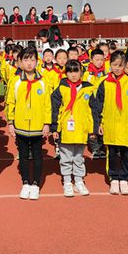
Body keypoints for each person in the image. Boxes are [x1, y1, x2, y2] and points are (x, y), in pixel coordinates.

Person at [93, 51, 128, 195]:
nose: (117, 68)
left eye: (120, 65)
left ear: (125, 66)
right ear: (109, 65)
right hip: (110, 123)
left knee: (126, 153)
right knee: (113, 153)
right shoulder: (104, 84)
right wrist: (99, 124)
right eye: (114, 65)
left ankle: (124, 179)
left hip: (126, 124)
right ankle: (114, 178)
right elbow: (98, 105)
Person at [6, 47, 51, 200]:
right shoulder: (16, 81)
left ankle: (36, 184)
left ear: (37, 62)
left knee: (38, 155)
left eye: (32, 60)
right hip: (21, 124)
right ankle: (25, 182)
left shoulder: (44, 81)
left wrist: (47, 123)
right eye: (26, 59)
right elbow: (10, 102)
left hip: (38, 125)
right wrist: (10, 122)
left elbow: (48, 104)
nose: (29, 63)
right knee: (23, 155)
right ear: (21, 62)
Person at [50, 60, 96, 197]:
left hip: (81, 129)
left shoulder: (89, 88)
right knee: (66, 157)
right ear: (66, 73)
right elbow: (55, 110)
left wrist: (92, 129)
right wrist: (55, 128)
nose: (73, 74)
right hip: (66, 129)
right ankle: (67, 181)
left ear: (81, 72)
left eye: (76, 71)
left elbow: (93, 110)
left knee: (78, 157)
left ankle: (79, 180)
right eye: (70, 71)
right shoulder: (61, 88)